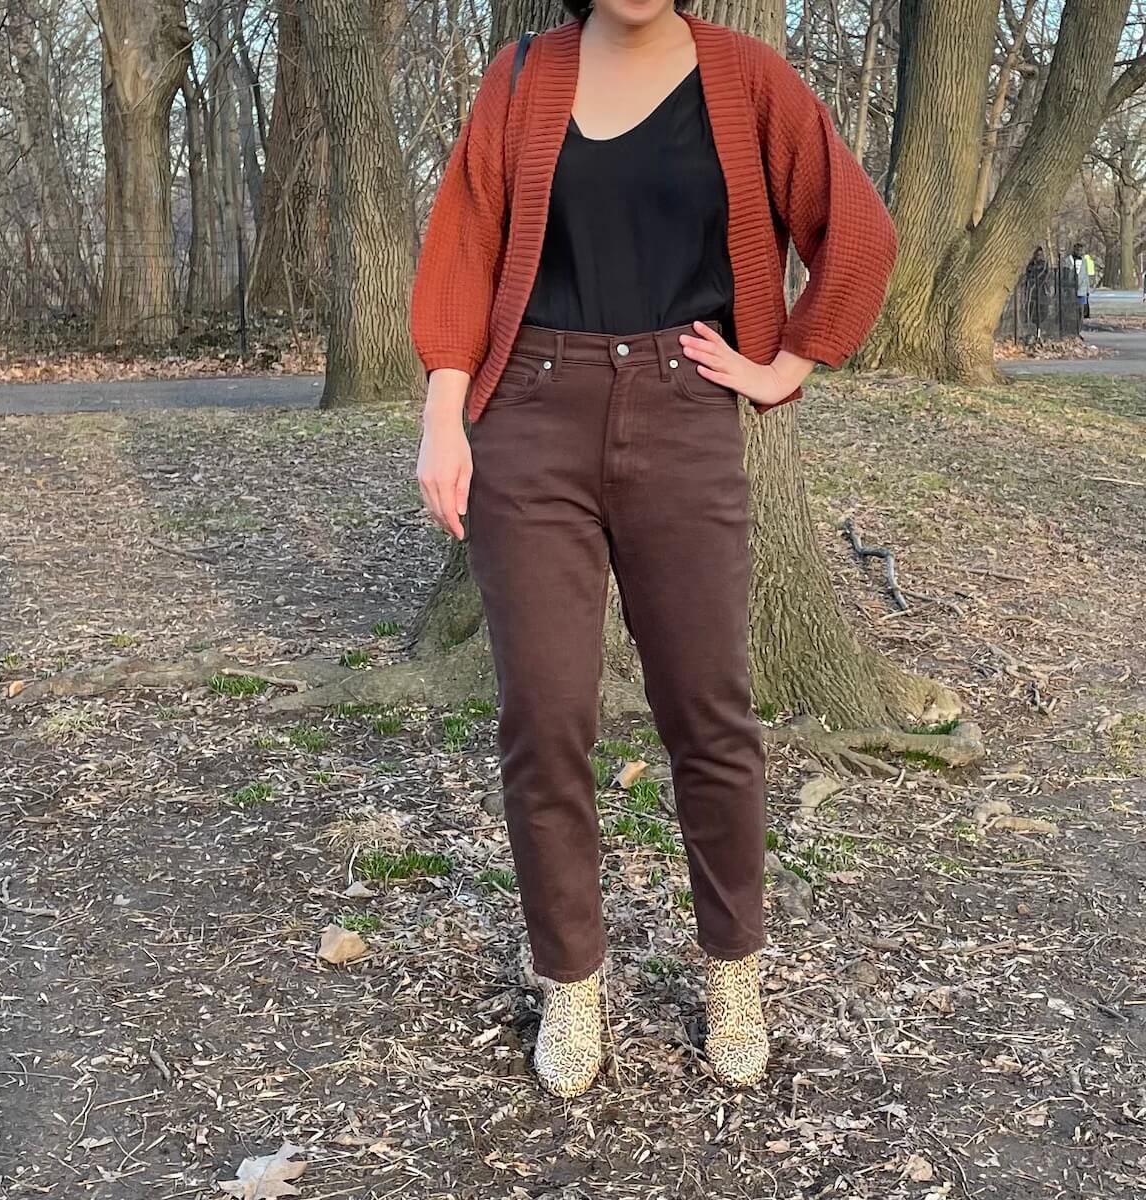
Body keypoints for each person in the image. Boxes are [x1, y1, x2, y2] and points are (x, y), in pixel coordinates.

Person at [410, 0, 896, 1098]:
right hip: (528, 415)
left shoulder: (748, 80)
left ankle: (732, 975)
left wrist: (793, 361)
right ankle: (572, 986)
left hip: (685, 413)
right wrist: (445, 415)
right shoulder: (522, 76)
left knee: (710, 711)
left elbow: (858, 234)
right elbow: (464, 244)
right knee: (544, 717)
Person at [1073, 242, 1093, 320]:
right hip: (1073, 288)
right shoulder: (1070, 261)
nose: (1079, 252)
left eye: (1081, 250)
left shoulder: (1084, 261)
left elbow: (1086, 275)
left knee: (1082, 308)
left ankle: (1081, 318)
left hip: (1082, 289)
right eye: (1077, 250)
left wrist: (1088, 290)